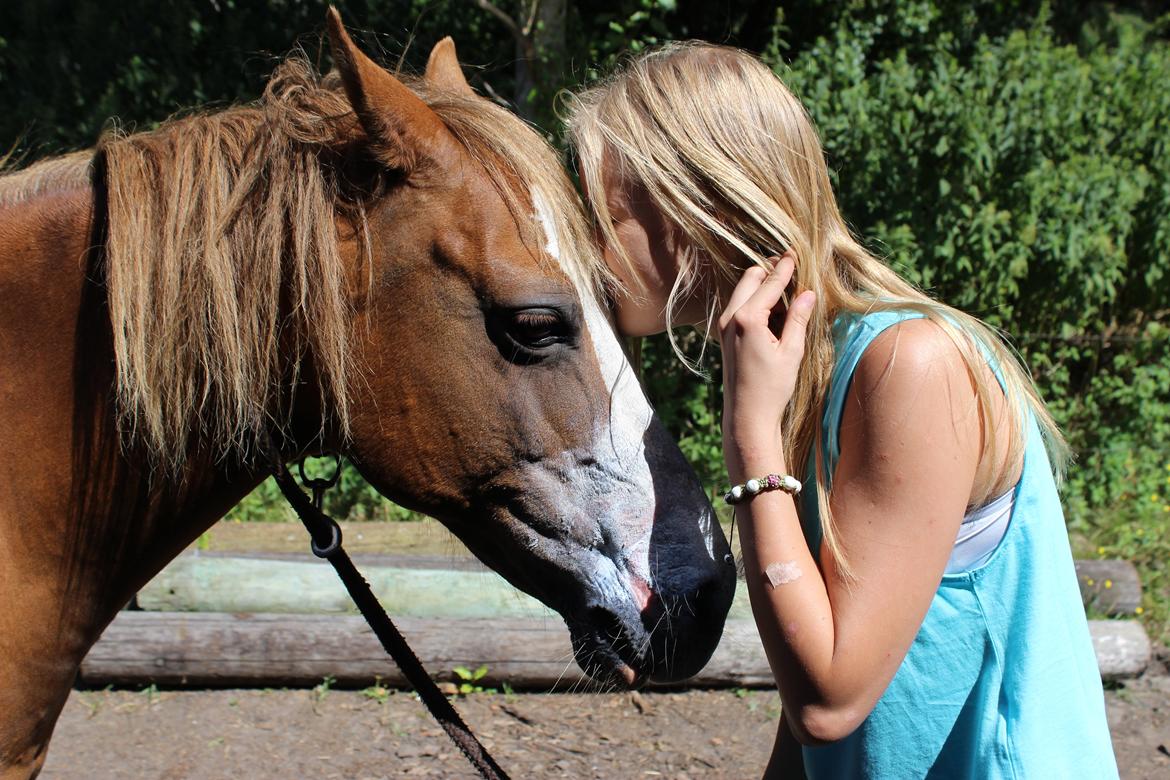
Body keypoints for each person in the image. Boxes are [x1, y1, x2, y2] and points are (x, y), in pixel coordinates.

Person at [565, 42, 1118, 778]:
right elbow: (809, 704)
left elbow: (829, 702)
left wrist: (751, 441)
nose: (579, 244)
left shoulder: (909, 364)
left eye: (598, 210)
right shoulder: (804, 374)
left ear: (698, 203)